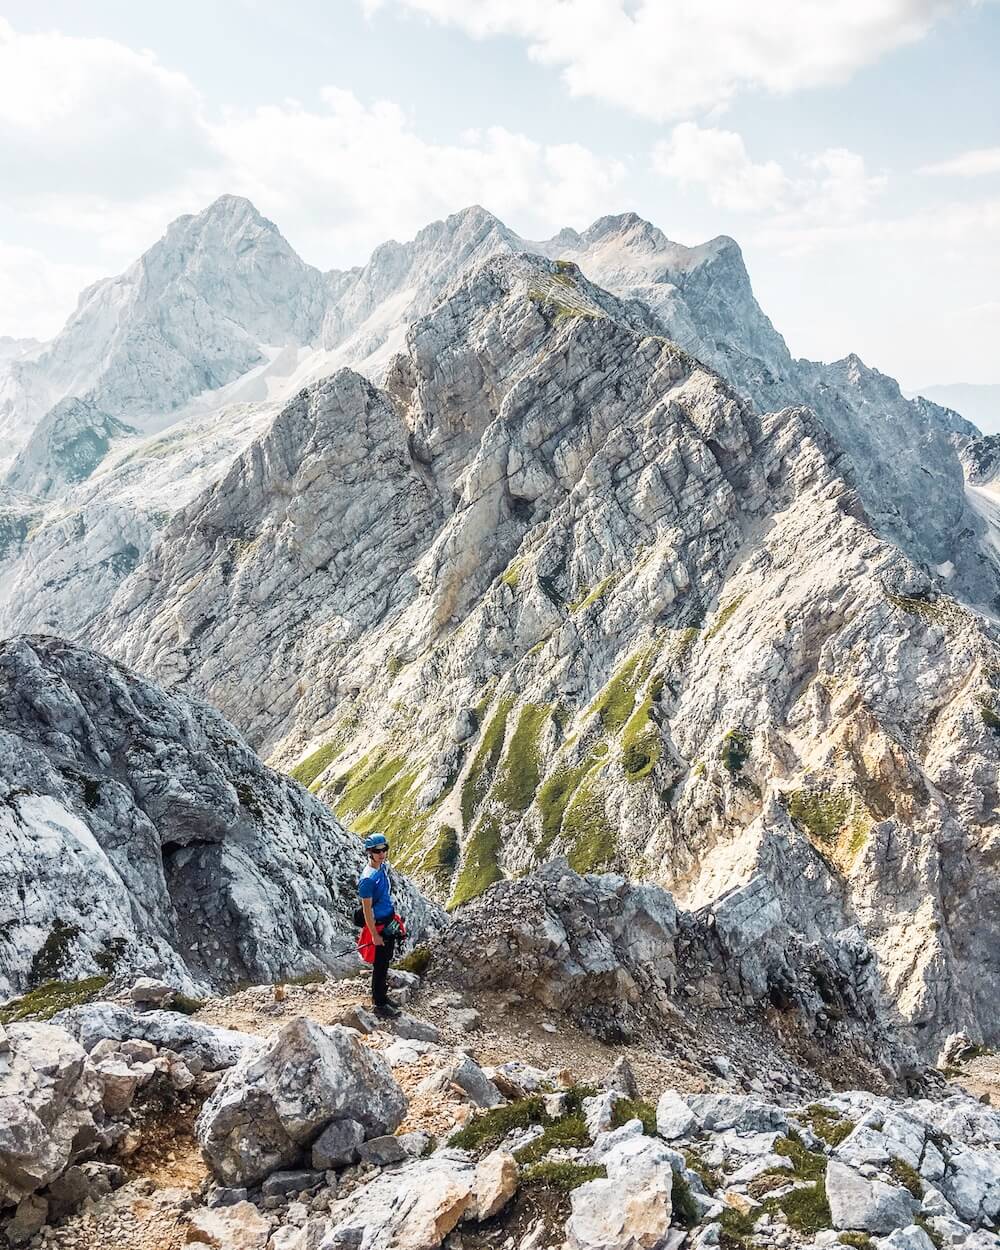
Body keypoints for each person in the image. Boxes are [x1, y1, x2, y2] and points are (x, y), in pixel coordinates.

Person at [358, 832, 401, 1019]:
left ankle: (383, 995)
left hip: (388, 920)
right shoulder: (367, 879)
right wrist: (374, 934)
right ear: (370, 852)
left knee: (386, 960)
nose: (382, 853)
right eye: (377, 851)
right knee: (380, 964)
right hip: (380, 925)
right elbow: (367, 909)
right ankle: (379, 1002)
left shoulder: (381, 868)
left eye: (384, 849)